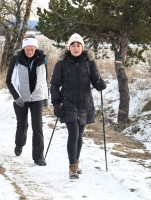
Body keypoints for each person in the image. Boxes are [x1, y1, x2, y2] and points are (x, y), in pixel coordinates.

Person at [50, 33, 106, 179]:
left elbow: (95, 79)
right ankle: (72, 167)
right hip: (67, 102)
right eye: (73, 45)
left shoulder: (89, 62)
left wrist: (100, 84)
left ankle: (76, 161)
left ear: (82, 47)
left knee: (80, 136)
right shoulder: (62, 63)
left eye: (78, 45)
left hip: (84, 102)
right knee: (73, 134)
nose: (76, 48)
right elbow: (55, 85)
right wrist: (56, 104)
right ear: (69, 47)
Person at [6, 36, 49, 166]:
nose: (30, 52)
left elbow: (44, 79)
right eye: (27, 49)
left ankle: (38, 157)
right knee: (22, 124)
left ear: (35, 48)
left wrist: (46, 97)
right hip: (21, 98)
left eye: (32, 49)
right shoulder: (16, 60)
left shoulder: (42, 59)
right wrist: (16, 96)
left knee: (38, 127)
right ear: (23, 48)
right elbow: (9, 81)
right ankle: (19, 144)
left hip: (37, 98)